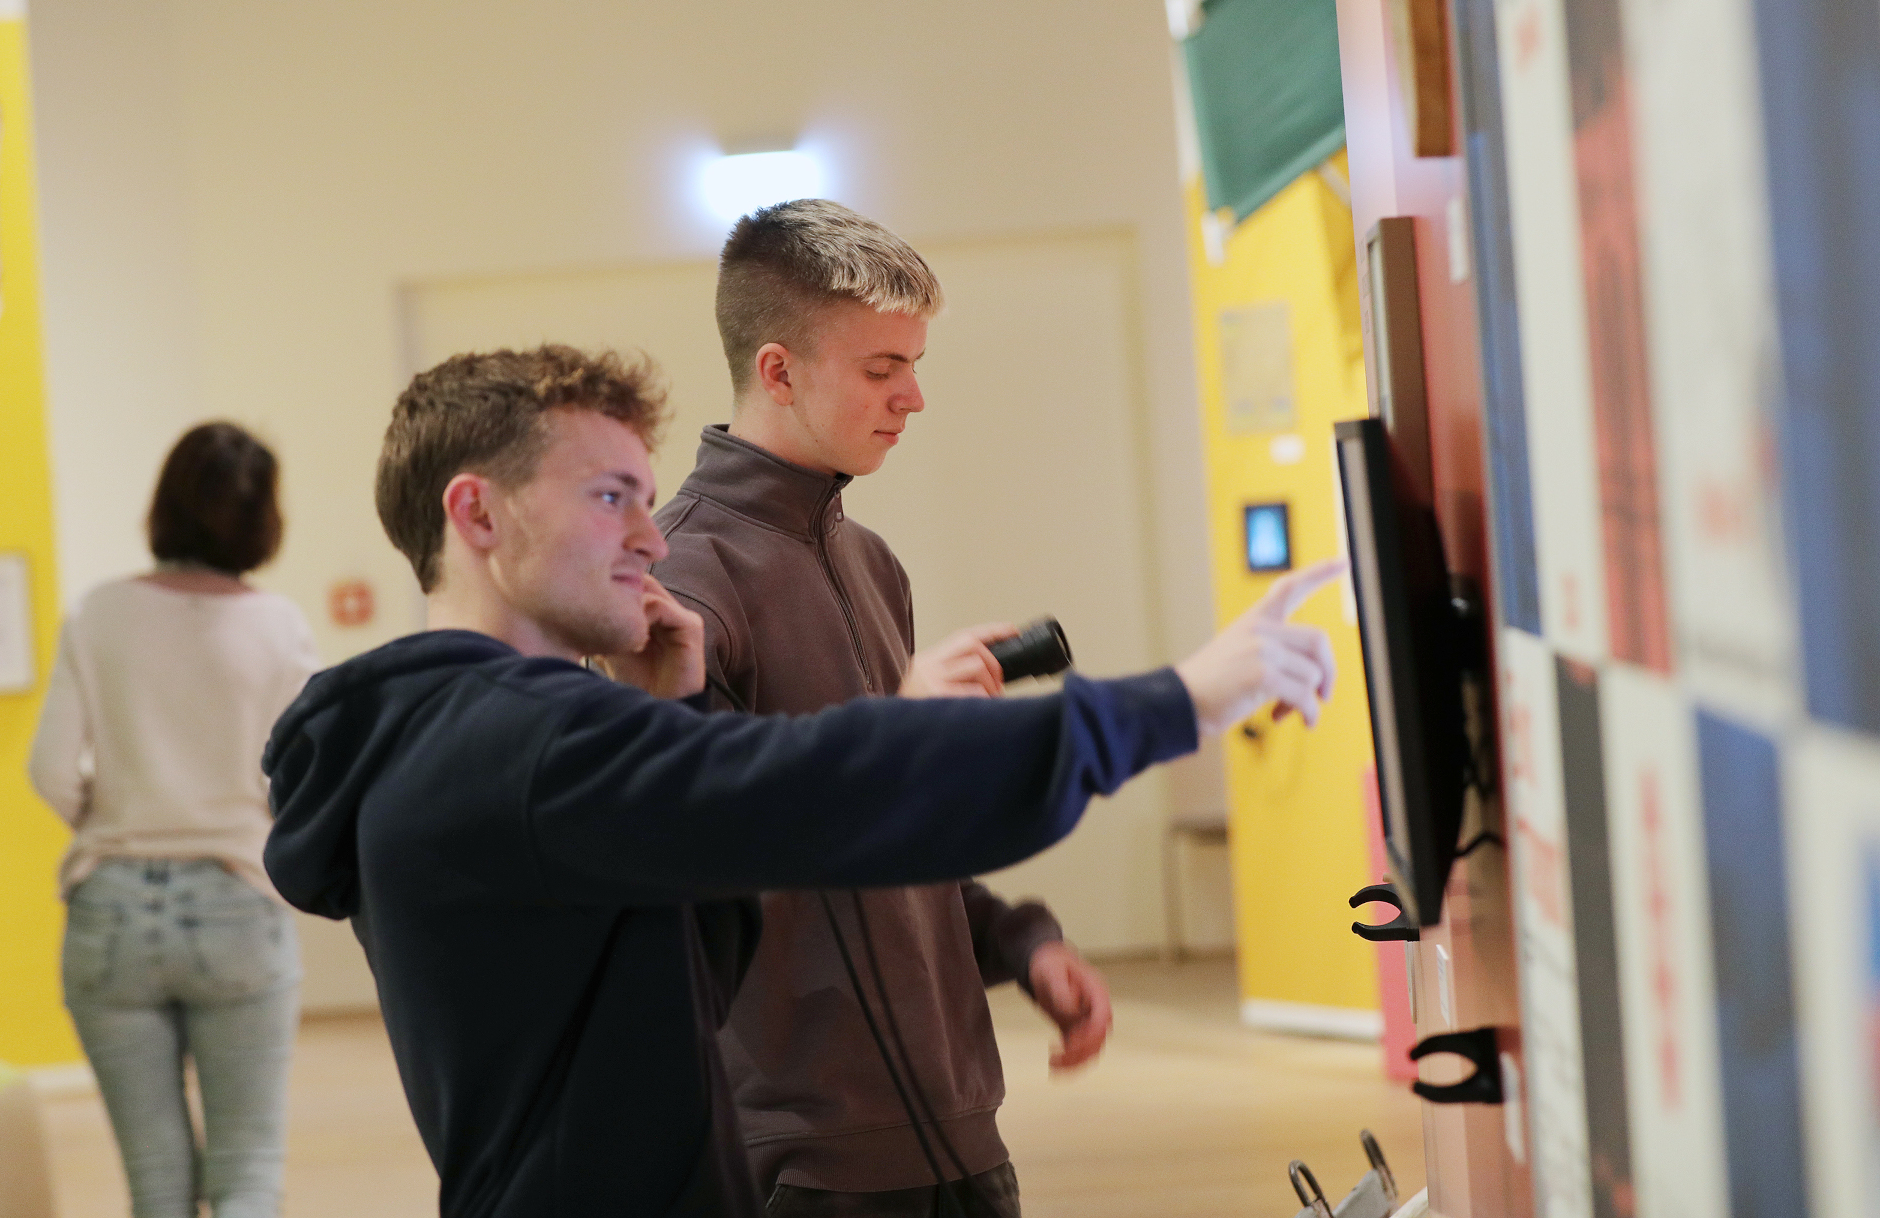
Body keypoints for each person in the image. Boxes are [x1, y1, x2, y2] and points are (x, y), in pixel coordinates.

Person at [261, 344, 1340, 1218]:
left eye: (645, 498)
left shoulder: (474, 735)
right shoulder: (511, 741)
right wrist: (1177, 701)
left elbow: (697, 961)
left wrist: (678, 714)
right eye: (609, 496)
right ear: (477, 515)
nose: (648, 540)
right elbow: (816, 790)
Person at [652, 199, 1115, 1215]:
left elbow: (898, 832)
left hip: (958, 1128)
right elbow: (699, 856)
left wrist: (1019, 942)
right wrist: (893, 725)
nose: (913, 397)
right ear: (778, 371)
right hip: (806, 1154)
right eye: (880, 368)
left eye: (915, 363)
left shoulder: (871, 561)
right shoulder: (679, 582)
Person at [30, 423, 319, 1218]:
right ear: (264, 516)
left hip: (109, 910)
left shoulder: (98, 612)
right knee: (247, 1171)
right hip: (235, 897)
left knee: (156, 1182)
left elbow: (48, 767)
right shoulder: (279, 626)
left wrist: (115, 820)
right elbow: (305, 778)